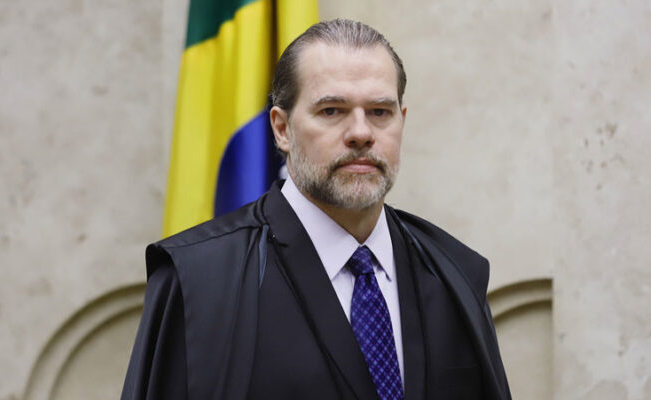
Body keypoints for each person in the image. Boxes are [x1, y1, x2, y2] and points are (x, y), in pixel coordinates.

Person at [121, 19, 511, 400]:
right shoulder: (196, 282)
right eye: (332, 111)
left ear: (401, 122)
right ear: (282, 129)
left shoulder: (456, 274)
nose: (361, 133)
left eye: (380, 112)